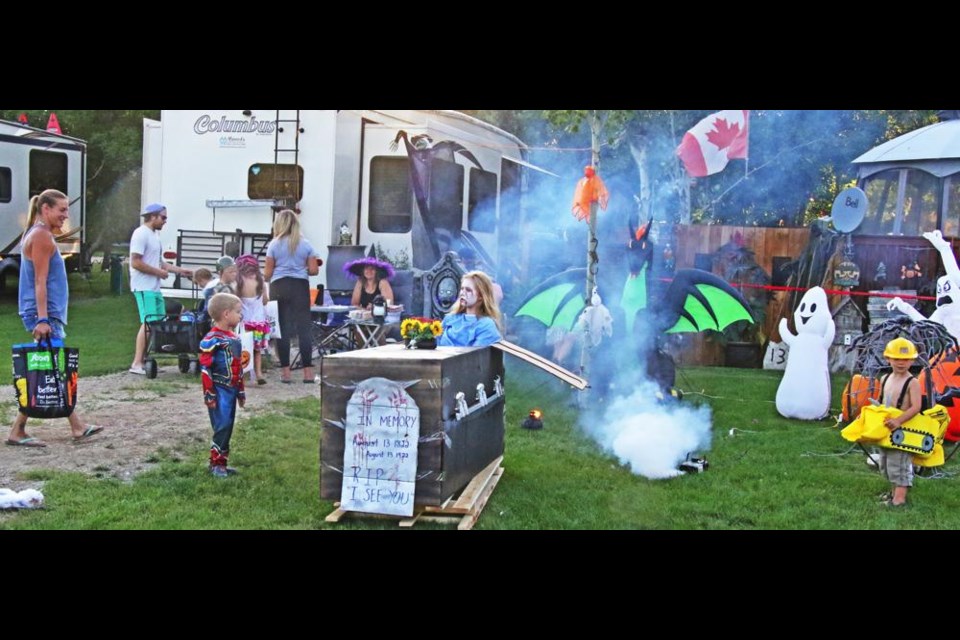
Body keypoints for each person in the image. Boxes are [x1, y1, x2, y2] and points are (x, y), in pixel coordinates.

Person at [6, 189, 104, 447]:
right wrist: (42, 319)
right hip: (44, 314)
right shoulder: (41, 236)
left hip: (47, 313)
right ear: (45, 209)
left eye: (66, 211)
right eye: (61, 210)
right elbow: (39, 281)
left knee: (49, 368)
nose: (65, 216)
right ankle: (26, 430)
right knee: (50, 369)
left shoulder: (40, 234)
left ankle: (72, 426)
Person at [128, 203, 193, 375]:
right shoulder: (140, 234)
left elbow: (158, 263)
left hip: (154, 287)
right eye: (163, 217)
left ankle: (145, 360)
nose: (165, 221)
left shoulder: (154, 236)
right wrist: (159, 272)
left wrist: (180, 271)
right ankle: (137, 363)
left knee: (157, 323)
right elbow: (135, 262)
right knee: (148, 322)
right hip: (143, 286)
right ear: (153, 216)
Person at [264, 209, 320, 383]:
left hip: (279, 285)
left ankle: (286, 372)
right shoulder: (306, 244)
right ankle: (308, 373)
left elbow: (267, 274)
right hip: (299, 286)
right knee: (304, 329)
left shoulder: (274, 244)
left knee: (283, 330)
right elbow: (313, 270)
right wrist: (300, 267)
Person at [199, 293, 246, 477]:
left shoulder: (234, 338)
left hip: (232, 389)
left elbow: (239, 368)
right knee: (222, 425)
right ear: (226, 314)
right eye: (238, 312)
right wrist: (209, 393)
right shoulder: (212, 340)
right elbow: (205, 369)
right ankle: (216, 463)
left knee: (229, 425)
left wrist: (240, 392)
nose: (240, 315)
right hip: (219, 389)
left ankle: (221, 463)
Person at [878, 337, 922, 507]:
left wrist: (899, 420)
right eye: (896, 359)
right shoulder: (885, 379)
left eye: (906, 359)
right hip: (887, 429)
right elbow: (881, 402)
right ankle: (892, 492)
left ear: (912, 360)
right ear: (888, 358)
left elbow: (916, 407)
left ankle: (899, 499)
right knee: (887, 462)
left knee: (900, 463)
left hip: (904, 430)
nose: (901, 363)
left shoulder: (913, 383)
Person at [437, 271, 502, 347]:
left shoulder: (486, 325)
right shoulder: (450, 318)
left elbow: (474, 356)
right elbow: (435, 343)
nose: (462, 293)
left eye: (468, 290)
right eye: (462, 289)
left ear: (481, 296)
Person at [235, 254, 271, 385]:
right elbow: (266, 300)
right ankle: (259, 373)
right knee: (257, 350)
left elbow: (235, 300)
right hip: (258, 321)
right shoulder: (261, 280)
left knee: (243, 349)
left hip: (244, 322)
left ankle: (243, 374)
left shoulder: (238, 281)